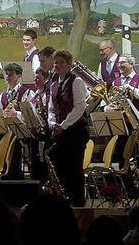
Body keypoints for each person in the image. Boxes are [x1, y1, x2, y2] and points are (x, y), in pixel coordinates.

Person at [47, 50, 89, 207]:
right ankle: (63, 199)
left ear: (69, 64)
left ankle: (78, 202)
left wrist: (63, 125)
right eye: (56, 62)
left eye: (62, 62)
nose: (58, 65)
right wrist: (52, 123)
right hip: (61, 131)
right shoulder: (54, 84)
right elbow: (51, 107)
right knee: (61, 167)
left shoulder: (76, 81)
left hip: (76, 131)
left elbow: (80, 107)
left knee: (74, 167)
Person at [104, 54, 139, 169]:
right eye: (118, 63)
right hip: (120, 124)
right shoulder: (115, 83)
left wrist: (131, 89)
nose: (119, 65)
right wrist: (108, 108)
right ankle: (125, 184)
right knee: (121, 156)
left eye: (123, 63)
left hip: (135, 125)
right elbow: (108, 103)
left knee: (138, 158)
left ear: (131, 64)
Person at [0, 63, 35, 180]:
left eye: (11, 74)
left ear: (19, 75)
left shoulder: (27, 93)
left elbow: (31, 115)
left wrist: (16, 114)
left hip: (20, 133)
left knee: (15, 162)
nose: (7, 77)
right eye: (6, 74)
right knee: (4, 162)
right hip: (6, 132)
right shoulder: (2, 95)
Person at [29, 67, 51, 183]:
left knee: (43, 163)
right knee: (35, 163)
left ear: (46, 80)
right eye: (35, 78)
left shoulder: (47, 95)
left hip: (45, 134)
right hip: (35, 134)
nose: (36, 81)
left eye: (39, 78)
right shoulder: (36, 95)